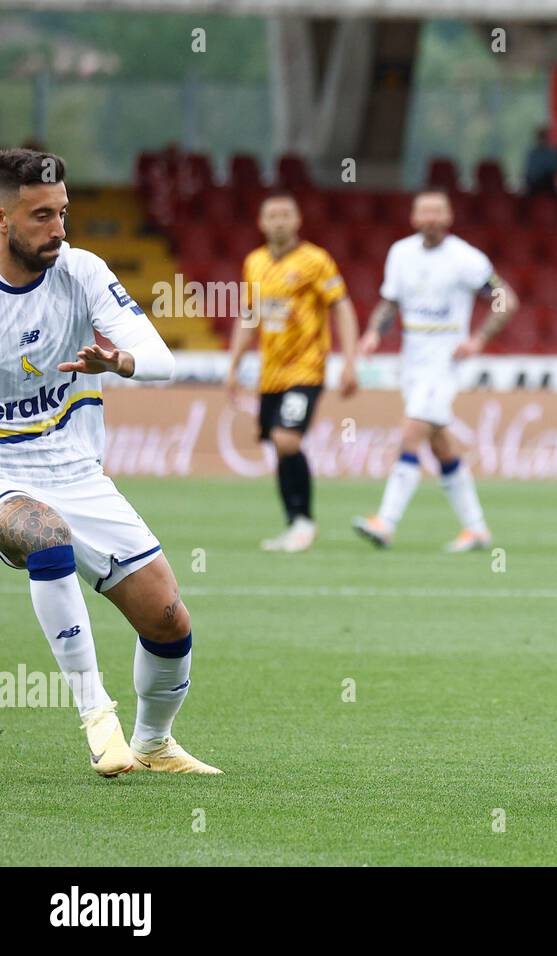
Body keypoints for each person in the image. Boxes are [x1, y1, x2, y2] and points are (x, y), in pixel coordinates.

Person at [0, 147, 219, 776]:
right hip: (7, 478)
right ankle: (97, 714)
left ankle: (153, 743)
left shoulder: (82, 272)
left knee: (170, 621)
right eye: (41, 216)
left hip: (78, 475)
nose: (59, 229)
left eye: (63, 212)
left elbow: (161, 361)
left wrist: (117, 362)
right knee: (46, 536)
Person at [352, 190, 518, 551]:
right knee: (439, 440)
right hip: (412, 357)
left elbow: (506, 298)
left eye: (437, 212)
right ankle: (476, 529)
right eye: (424, 212)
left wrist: (477, 339)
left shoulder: (465, 258)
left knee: (412, 431)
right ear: (413, 218)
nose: (430, 219)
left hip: (445, 359)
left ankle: (386, 521)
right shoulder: (400, 253)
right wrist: (372, 334)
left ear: (448, 217)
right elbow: (390, 302)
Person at [224, 191, 359, 552]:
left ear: (298, 221)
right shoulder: (254, 262)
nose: (279, 221)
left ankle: (304, 521)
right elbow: (249, 315)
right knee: (279, 447)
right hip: (271, 374)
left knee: (287, 439)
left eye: (286, 214)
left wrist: (350, 360)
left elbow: (341, 307)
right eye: (272, 215)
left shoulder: (316, 261)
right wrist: (234, 364)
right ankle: (293, 524)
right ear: (261, 222)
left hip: (306, 369)